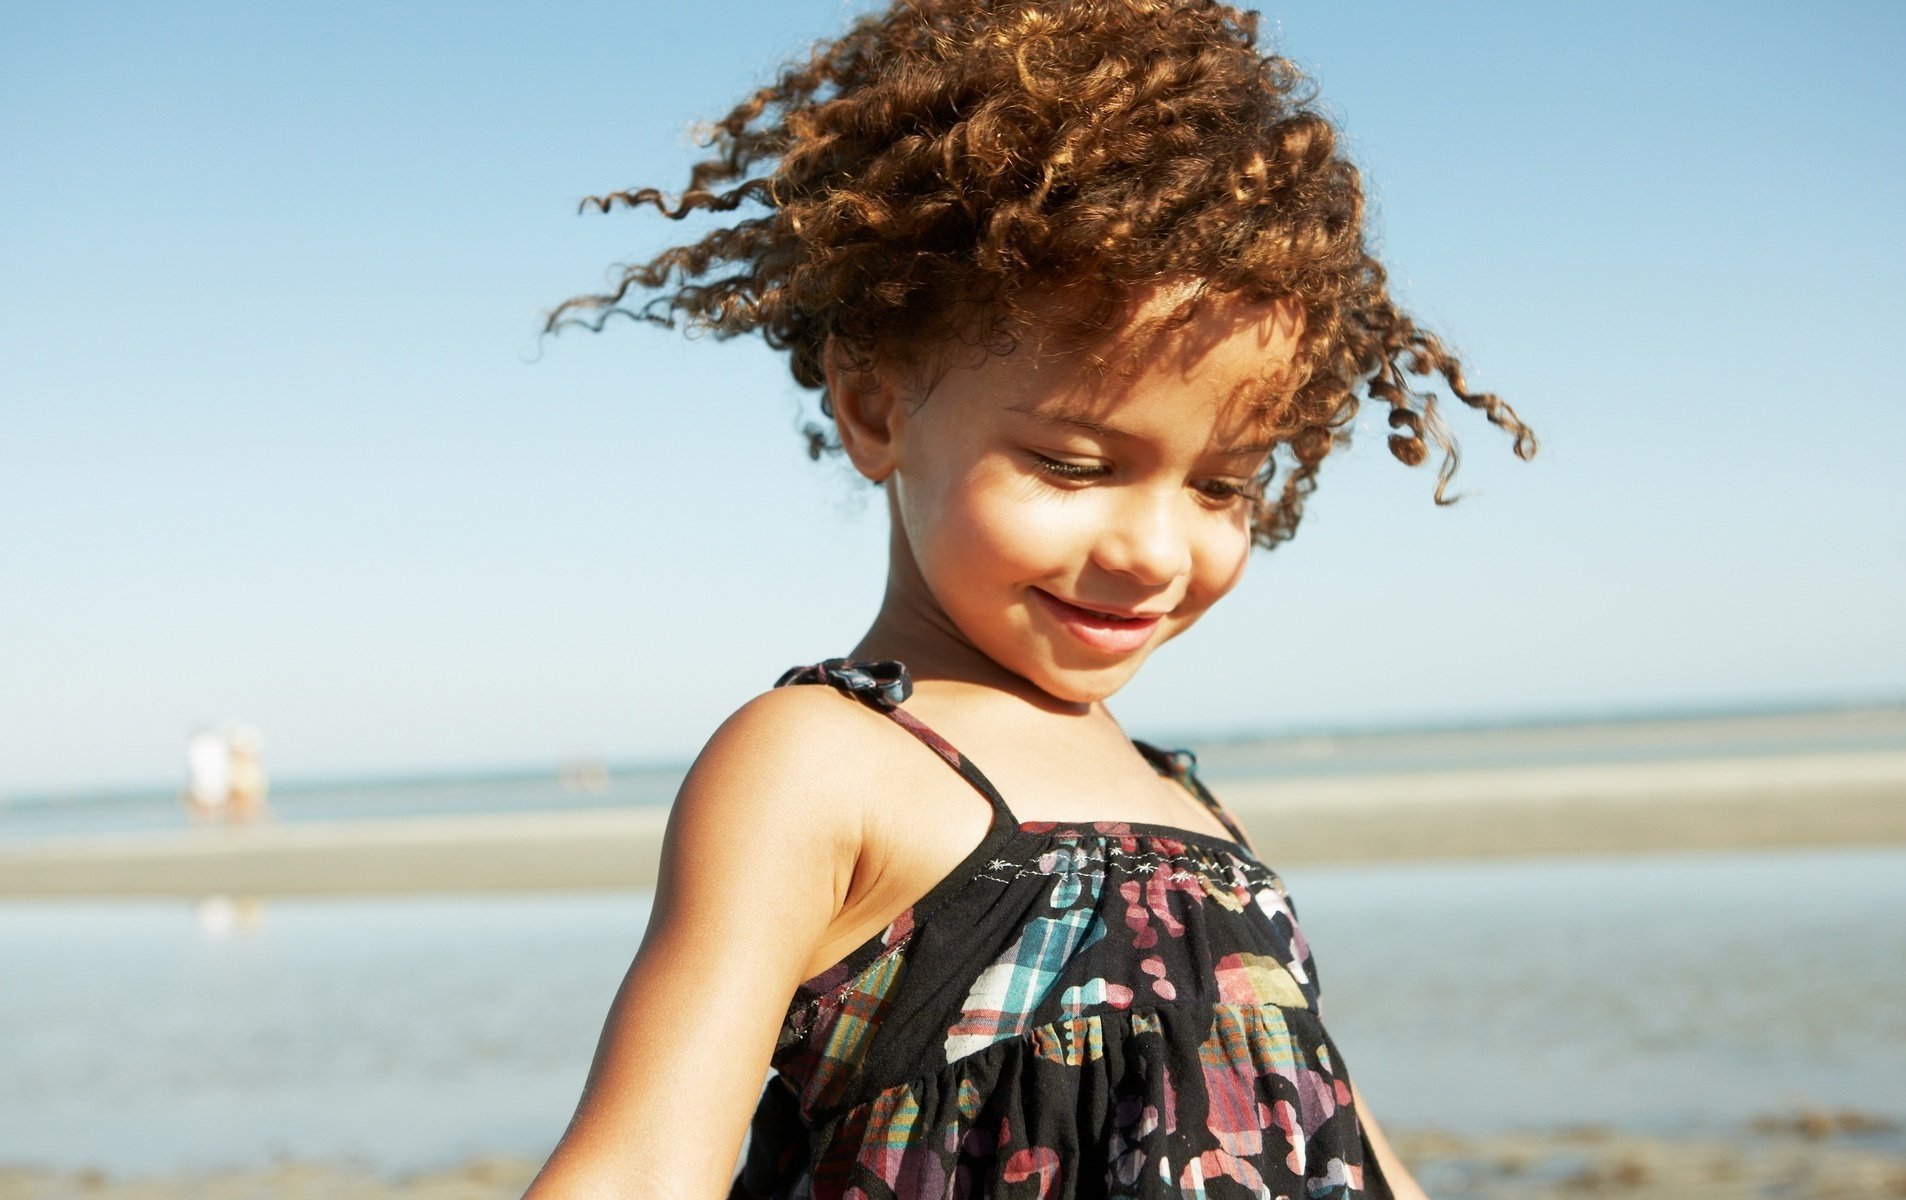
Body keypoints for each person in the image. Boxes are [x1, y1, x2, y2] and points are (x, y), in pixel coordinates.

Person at [524, 2, 1537, 1196]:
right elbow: (642, 1166)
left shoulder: (1190, 809)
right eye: (1073, 464)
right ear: (873, 403)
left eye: (1223, 484)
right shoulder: (820, 766)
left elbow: (1337, 1142)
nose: (1155, 551)